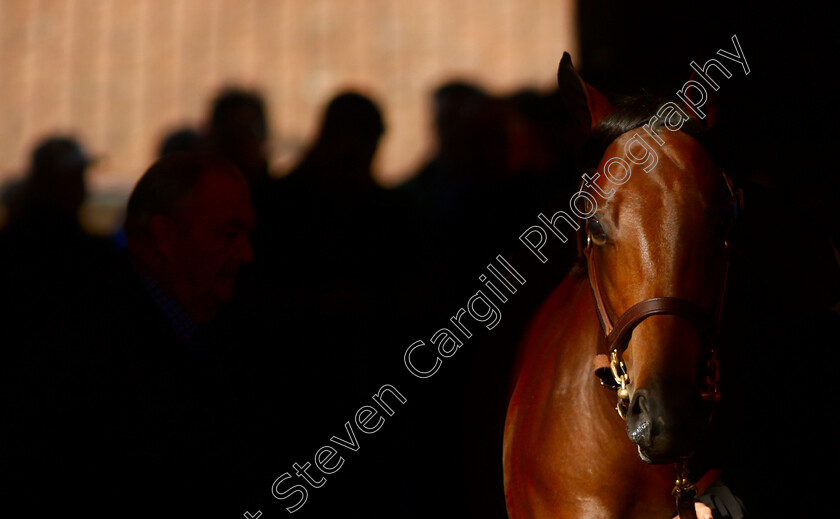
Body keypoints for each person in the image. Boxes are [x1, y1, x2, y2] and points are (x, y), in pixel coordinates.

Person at [2, 151, 256, 517]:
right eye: (229, 234)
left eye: (246, 234)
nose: (246, 253)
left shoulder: (199, 328)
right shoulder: (89, 349)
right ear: (166, 237)